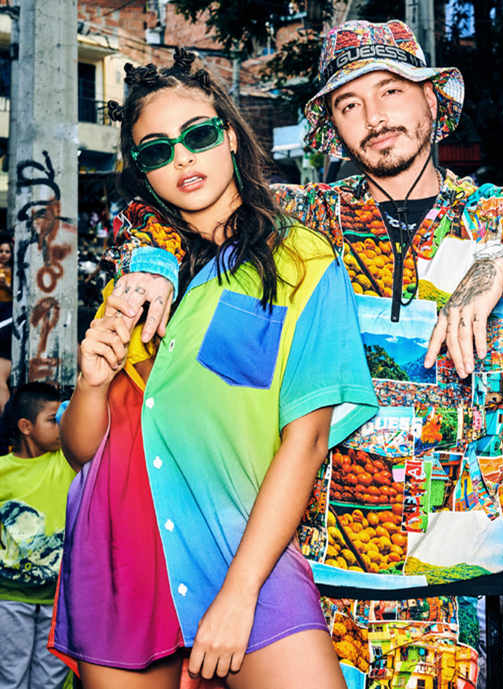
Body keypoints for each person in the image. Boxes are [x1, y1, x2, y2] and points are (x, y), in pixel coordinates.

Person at [104, 21, 503, 687]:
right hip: (312, 572)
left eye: (391, 91)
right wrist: (153, 263)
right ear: (333, 127)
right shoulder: (303, 221)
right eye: (349, 104)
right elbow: (167, 202)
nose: (374, 116)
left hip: (454, 581)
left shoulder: (498, 216)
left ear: (431, 100)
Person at [48, 51, 377, 689]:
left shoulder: (300, 260)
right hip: (120, 551)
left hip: (240, 543)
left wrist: (240, 591)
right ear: (144, 172)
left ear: (228, 135)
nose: (182, 159)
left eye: (197, 135)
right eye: (157, 150)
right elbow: (82, 451)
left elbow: (306, 440)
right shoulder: (137, 279)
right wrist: (90, 382)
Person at [0, 382, 74, 689]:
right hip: (9, 597)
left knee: (51, 680)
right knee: (10, 676)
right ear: (26, 427)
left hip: (58, 599)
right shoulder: (3, 470)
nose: (60, 426)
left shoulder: (68, 459)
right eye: (52, 419)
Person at [0, 233, 13, 412]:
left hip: (7, 317)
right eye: (1, 251)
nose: (3, 254)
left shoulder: (14, 272)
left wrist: (6, 286)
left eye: (7, 251)